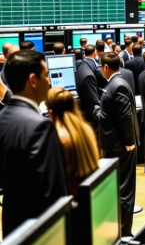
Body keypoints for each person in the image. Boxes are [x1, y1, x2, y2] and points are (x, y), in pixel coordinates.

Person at [0, 50, 67, 237]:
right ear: (33, 80)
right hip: (39, 228)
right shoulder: (41, 126)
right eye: (45, 75)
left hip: (11, 222)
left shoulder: (2, 118)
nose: (49, 81)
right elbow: (52, 193)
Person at [94, 52, 140, 237]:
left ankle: (125, 232)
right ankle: (117, 230)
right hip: (114, 144)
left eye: (100, 67)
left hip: (121, 146)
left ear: (106, 67)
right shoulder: (115, 83)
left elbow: (125, 116)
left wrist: (129, 142)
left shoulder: (117, 84)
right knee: (118, 187)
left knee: (124, 189)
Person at [45, 87, 99, 198]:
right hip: (92, 195)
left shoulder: (58, 139)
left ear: (50, 113)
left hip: (70, 201)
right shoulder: (87, 130)